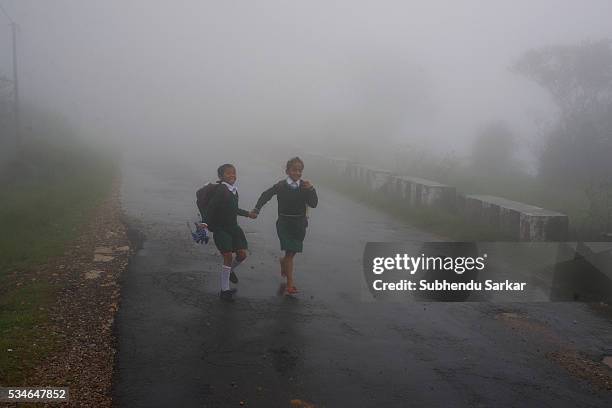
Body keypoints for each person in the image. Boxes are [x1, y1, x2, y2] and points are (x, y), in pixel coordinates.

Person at [252, 157, 318, 295]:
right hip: (284, 223)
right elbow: (266, 195)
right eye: (294, 170)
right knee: (289, 253)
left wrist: (312, 189)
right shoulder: (281, 186)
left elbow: (313, 204)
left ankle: (284, 262)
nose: (297, 173)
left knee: (291, 253)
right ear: (287, 171)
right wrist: (257, 209)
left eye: (300, 170)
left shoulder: (305, 187)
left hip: (299, 224)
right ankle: (290, 284)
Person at [201, 164, 256, 301]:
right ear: (221, 177)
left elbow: (234, 209)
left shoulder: (234, 191)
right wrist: (205, 224)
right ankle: (224, 290)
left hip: (233, 228)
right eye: (228, 173)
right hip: (221, 229)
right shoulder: (221, 190)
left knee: (242, 255)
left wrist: (248, 214)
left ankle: (230, 270)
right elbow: (211, 207)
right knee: (227, 256)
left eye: (234, 173)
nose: (232, 175)